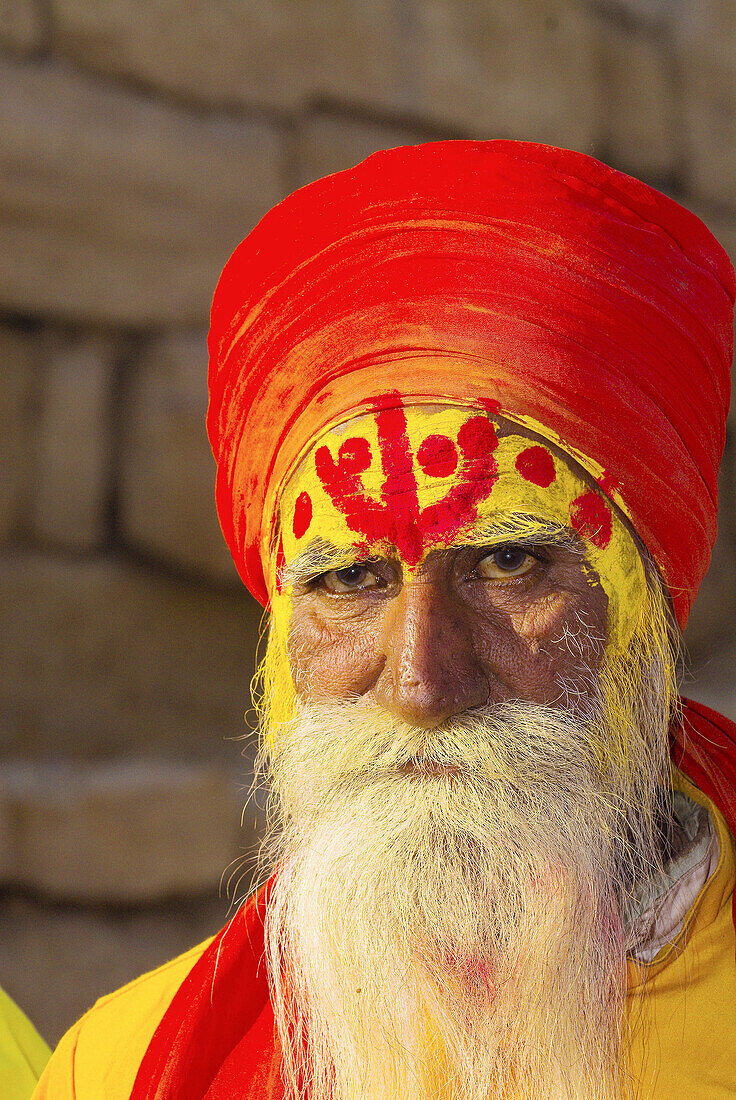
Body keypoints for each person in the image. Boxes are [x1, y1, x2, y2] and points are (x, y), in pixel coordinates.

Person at [33, 141, 736, 1100]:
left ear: (646, 613)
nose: (420, 681)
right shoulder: (119, 1070)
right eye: (351, 577)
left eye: (507, 561)